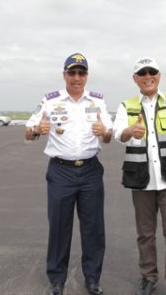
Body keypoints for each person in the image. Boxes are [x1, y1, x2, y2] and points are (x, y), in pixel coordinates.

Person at [25, 53, 113, 295]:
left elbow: (108, 135)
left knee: (93, 228)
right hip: (60, 172)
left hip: (90, 171)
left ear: (86, 76)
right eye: (72, 72)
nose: (76, 77)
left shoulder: (97, 101)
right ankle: (56, 280)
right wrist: (37, 129)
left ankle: (93, 279)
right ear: (64, 74)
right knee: (59, 228)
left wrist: (104, 131)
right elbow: (27, 133)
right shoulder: (50, 100)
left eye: (81, 73)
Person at [113, 57, 166, 295]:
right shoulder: (126, 105)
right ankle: (148, 278)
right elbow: (118, 132)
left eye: (152, 71)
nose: (147, 76)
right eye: (142, 73)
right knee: (145, 235)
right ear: (135, 79)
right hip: (141, 179)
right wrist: (129, 131)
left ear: (159, 75)